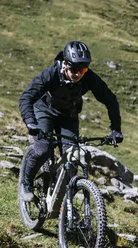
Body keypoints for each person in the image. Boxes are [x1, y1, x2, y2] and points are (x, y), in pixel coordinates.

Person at [18, 41, 123, 202]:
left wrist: (116, 129)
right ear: (65, 64)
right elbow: (26, 97)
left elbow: (111, 100)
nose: (78, 74)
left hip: (69, 116)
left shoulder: (89, 78)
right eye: (74, 69)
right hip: (44, 112)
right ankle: (26, 184)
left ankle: (65, 206)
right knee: (43, 149)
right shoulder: (51, 74)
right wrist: (31, 122)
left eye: (82, 69)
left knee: (73, 158)